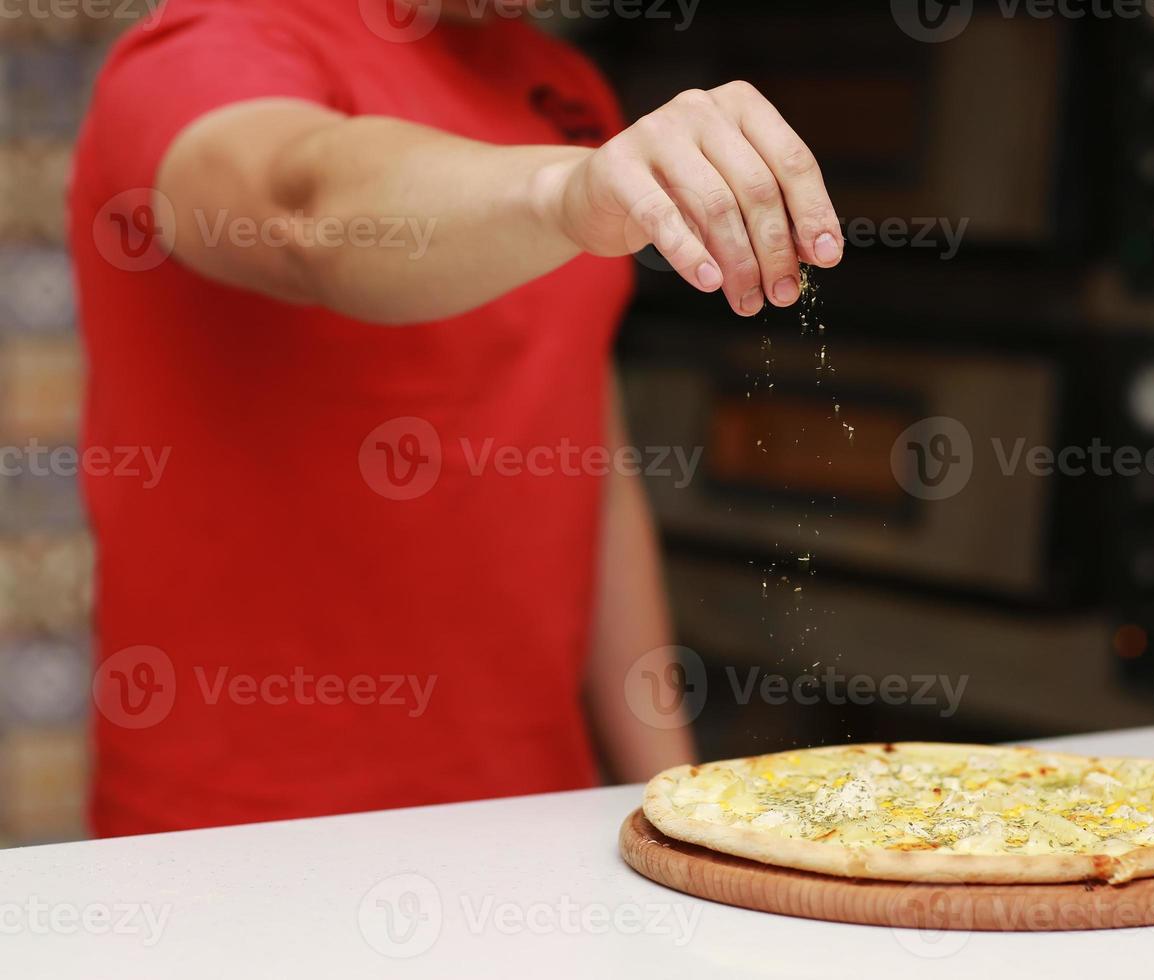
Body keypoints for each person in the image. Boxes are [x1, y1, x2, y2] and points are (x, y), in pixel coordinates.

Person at [68, 0, 844, 836]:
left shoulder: (562, 85)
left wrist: (677, 800)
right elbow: (302, 209)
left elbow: (583, 453)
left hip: (537, 819)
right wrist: (561, 193)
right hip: (249, 840)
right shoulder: (202, 48)